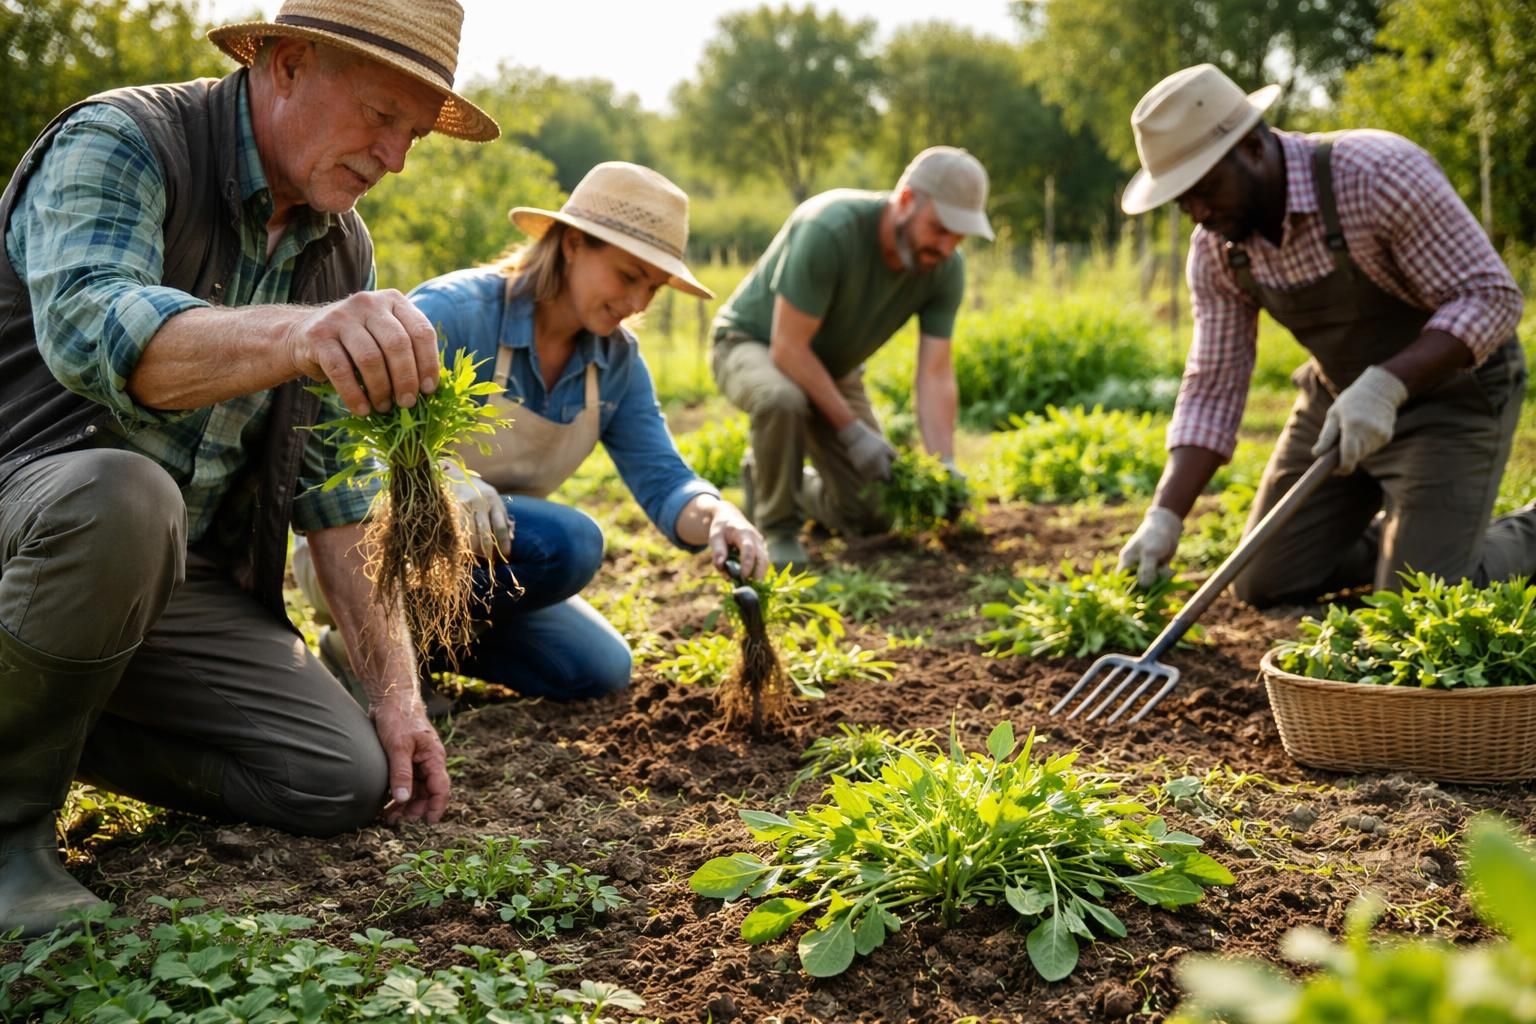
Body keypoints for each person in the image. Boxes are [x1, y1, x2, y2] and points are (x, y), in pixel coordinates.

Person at [0, 0, 499, 938]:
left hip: (164, 579)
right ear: (289, 62)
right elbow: (90, 326)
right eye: (385, 116)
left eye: (417, 136)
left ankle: (45, 701)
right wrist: (302, 336)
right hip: (29, 524)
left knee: (336, 776)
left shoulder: (334, 244)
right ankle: (8, 834)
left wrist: (396, 695)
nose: (396, 158)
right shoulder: (124, 141)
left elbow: (336, 494)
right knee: (125, 495)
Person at [295, 161, 767, 701]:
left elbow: (663, 480)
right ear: (571, 245)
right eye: (629, 276)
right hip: (368, 552)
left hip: (485, 563)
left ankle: (379, 652)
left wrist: (718, 516)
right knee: (572, 543)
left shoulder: (615, 362)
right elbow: (342, 442)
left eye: (654, 288)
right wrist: (438, 476)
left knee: (599, 669)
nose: (638, 303)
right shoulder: (455, 313)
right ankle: (374, 643)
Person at [1115, 64, 1535, 606]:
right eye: (1182, 200)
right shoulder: (1219, 248)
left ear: (1250, 146)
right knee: (1264, 580)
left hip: (1454, 399)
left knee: (1420, 602)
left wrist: (1388, 386)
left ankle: (1509, 539)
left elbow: (1491, 297)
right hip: (1340, 400)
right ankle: (1405, 546)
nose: (1198, 212)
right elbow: (1214, 382)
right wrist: (1165, 513)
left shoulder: (1376, 174)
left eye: (1205, 188)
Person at [710, 146, 994, 567]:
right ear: (904, 201)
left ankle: (774, 477)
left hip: (832, 368)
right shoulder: (830, 228)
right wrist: (852, 430)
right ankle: (778, 527)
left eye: (959, 235)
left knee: (874, 512)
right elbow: (788, 348)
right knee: (782, 398)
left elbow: (934, 374)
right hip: (753, 343)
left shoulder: (945, 269)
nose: (947, 245)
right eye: (939, 228)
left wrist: (944, 463)